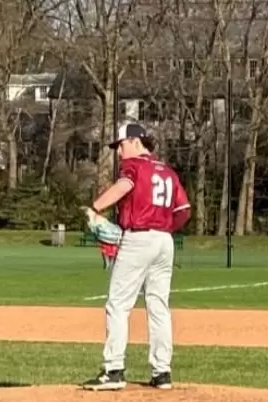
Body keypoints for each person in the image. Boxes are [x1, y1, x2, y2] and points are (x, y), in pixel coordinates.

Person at [82, 122, 191, 392]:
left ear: (134, 142)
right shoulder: (167, 171)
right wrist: (163, 228)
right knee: (158, 306)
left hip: (138, 238)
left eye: (120, 145)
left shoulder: (133, 166)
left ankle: (113, 370)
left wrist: (95, 207)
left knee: (118, 304)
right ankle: (162, 372)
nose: (119, 152)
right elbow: (184, 210)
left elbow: (124, 186)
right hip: (164, 241)